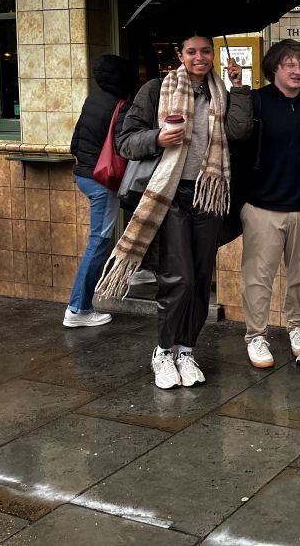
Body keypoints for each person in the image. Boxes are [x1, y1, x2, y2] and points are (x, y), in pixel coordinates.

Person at [97, 36, 251, 389]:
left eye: (206, 50)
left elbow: (240, 133)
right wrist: (158, 138)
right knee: (176, 276)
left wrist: (239, 89)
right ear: (180, 56)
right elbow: (127, 140)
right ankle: (164, 351)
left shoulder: (220, 92)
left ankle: (187, 350)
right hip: (170, 196)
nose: (200, 57)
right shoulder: (157, 89)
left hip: (209, 195)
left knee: (199, 277)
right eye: (192, 51)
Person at [238, 39, 300, 367]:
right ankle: (256, 336)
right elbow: (235, 136)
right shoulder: (257, 101)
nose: (298, 71)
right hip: (262, 206)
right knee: (258, 276)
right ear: (274, 67)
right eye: (290, 65)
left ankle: (297, 328)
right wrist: (237, 90)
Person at [64, 54, 134, 328]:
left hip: (84, 175)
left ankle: (134, 267)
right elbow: (126, 147)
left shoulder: (92, 99)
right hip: (102, 180)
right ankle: (78, 308)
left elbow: (75, 142)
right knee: (98, 243)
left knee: (107, 234)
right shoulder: (121, 105)